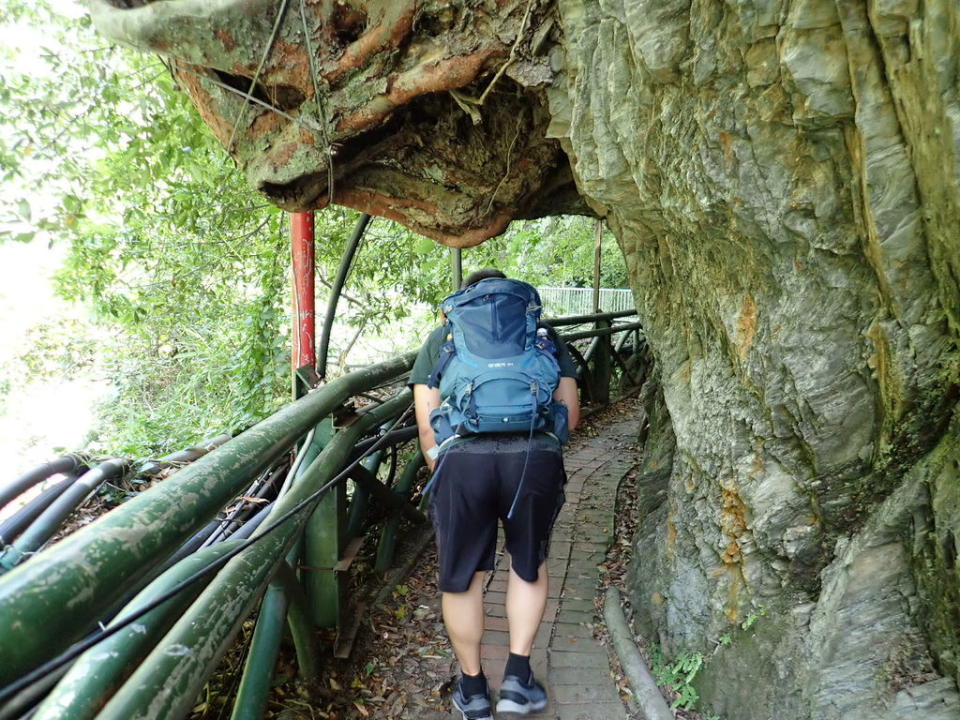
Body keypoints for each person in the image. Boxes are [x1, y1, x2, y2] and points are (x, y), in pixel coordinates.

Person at [409, 269, 580, 719]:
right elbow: (570, 415)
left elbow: (428, 425)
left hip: (463, 462)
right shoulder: (542, 334)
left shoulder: (443, 336)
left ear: (466, 302)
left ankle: (473, 690)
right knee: (528, 564)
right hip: (533, 456)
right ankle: (518, 682)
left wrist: (446, 472)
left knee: (463, 576)